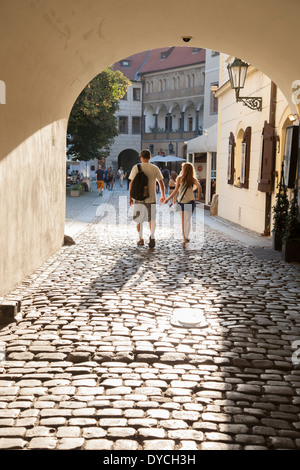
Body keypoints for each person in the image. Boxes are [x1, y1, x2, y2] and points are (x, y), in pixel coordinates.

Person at [129, 149, 165, 248]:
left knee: (139, 220)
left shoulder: (136, 167)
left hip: (139, 198)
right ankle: (152, 236)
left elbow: (131, 184)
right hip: (152, 198)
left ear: (141, 157)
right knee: (152, 219)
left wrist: (130, 197)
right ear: (149, 157)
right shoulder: (155, 168)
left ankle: (140, 239)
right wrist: (162, 195)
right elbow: (161, 183)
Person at [164, 162, 201, 248]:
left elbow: (175, 191)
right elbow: (199, 187)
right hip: (190, 202)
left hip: (182, 203)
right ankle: (186, 236)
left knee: (183, 222)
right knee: (188, 221)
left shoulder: (179, 178)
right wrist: (198, 197)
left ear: (184, 170)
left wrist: (167, 199)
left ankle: (185, 238)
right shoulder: (192, 179)